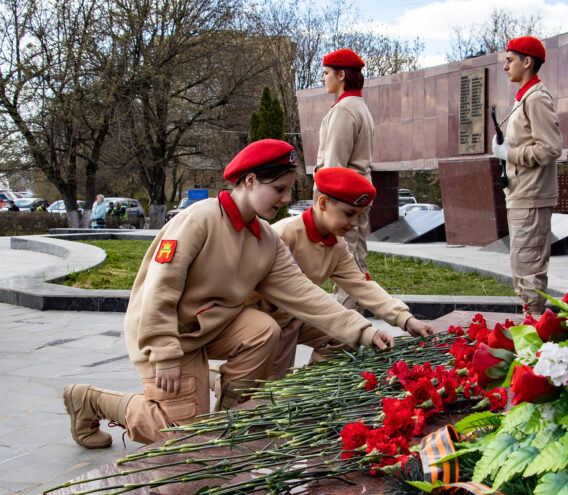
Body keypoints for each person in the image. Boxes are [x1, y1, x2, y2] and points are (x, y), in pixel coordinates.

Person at [62, 139, 394, 448]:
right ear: (250, 181)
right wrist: (164, 353)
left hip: (213, 327)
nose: (284, 199)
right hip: (168, 333)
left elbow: (305, 294)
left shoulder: (266, 239)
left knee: (265, 330)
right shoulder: (199, 219)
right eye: (279, 189)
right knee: (179, 435)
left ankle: (228, 424)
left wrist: (363, 331)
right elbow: (158, 289)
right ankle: (89, 400)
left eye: (287, 190)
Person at [248, 167, 436, 379]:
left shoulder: (337, 245)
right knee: (261, 392)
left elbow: (362, 285)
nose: (355, 224)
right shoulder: (282, 235)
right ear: (323, 203)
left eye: (360, 215)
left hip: (299, 318)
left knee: (348, 337)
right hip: (267, 323)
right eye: (349, 214)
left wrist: (405, 318)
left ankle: (314, 382)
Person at [491, 36, 562, 316]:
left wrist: (509, 154)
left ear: (527, 62)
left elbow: (550, 148)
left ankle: (534, 332)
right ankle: (529, 326)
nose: (506, 66)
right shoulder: (524, 98)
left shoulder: (537, 98)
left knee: (530, 269)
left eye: (510, 60)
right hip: (521, 193)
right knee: (521, 267)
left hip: (532, 194)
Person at [315, 48, 375, 312]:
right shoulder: (356, 106)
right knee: (354, 262)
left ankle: (348, 335)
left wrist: (324, 206)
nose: (323, 78)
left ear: (341, 75)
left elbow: (334, 168)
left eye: (327, 73)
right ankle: (356, 330)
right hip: (353, 196)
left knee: (346, 266)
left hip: (342, 199)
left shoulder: (345, 110)